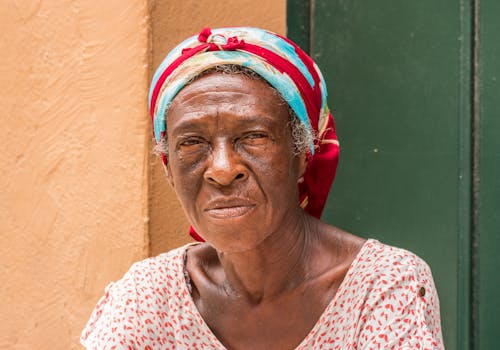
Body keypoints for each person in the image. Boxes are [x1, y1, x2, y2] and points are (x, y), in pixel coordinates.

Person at [81, 27, 444, 349]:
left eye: (253, 136)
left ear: (303, 153)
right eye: (192, 143)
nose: (222, 170)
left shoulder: (381, 286)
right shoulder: (146, 298)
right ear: (169, 170)